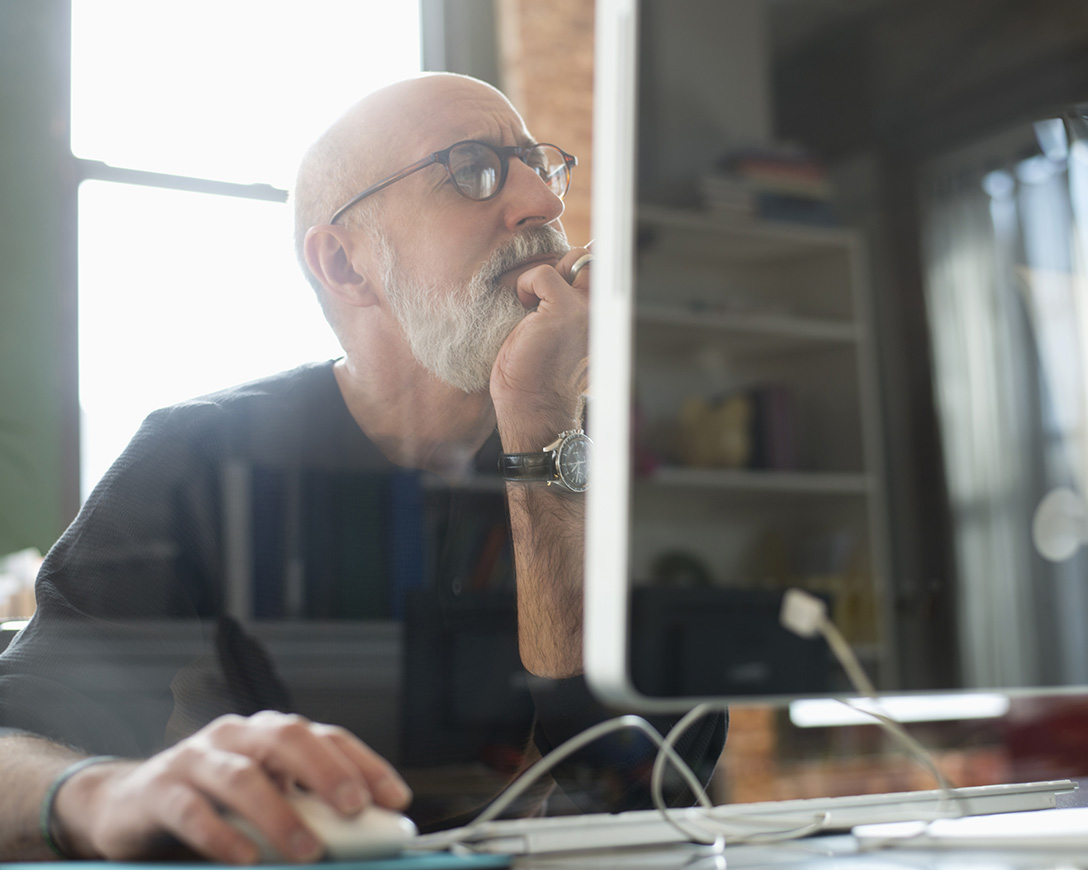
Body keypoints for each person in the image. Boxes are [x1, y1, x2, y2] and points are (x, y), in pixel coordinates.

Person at [0, 73, 725, 863]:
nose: (544, 205)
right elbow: (17, 736)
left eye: (537, 166)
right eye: (473, 168)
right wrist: (107, 791)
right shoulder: (194, 457)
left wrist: (540, 426)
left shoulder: (596, 466)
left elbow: (650, 782)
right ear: (345, 264)